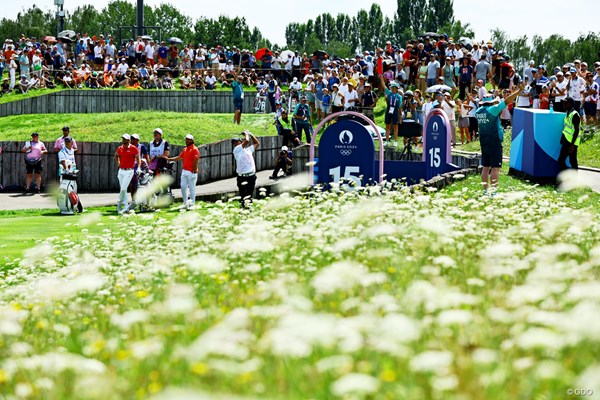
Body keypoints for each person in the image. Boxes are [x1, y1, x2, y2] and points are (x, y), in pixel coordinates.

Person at [475, 84, 524, 194]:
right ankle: (494, 192)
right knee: (495, 168)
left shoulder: (479, 111)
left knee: (485, 167)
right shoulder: (492, 110)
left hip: (484, 141)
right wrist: (518, 92)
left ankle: (485, 191)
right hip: (494, 141)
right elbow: (507, 101)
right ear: (491, 102)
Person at [166, 134, 200, 210]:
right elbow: (179, 157)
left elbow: (196, 161)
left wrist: (194, 172)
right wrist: (169, 159)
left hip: (192, 172)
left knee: (192, 188)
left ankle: (192, 204)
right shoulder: (185, 149)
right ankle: (185, 203)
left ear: (192, 140)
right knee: (183, 186)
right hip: (184, 171)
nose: (186, 140)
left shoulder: (195, 149)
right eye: (186, 139)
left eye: (188, 139)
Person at [114, 134, 141, 214]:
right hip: (121, 171)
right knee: (123, 189)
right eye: (123, 139)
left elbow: (138, 159)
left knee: (123, 188)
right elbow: (116, 155)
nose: (123, 141)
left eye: (125, 139)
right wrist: (118, 162)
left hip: (129, 171)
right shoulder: (120, 148)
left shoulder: (133, 148)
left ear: (129, 140)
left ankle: (119, 203)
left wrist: (139, 168)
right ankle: (125, 207)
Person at [232, 131, 259, 207]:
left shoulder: (248, 150)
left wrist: (251, 134)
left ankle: (249, 210)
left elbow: (257, 143)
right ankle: (243, 210)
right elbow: (247, 141)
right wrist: (247, 134)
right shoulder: (236, 150)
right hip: (242, 177)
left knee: (249, 195)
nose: (235, 143)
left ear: (240, 141)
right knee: (243, 196)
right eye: (234, 143)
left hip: (251, 176)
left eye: (237, 142)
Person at [558, 97, 581, 171]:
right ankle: (568, 178)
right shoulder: (568, 113)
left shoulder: (575, 115)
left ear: (570, 104)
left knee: (572, 161)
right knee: (561, 160)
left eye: (566, 103)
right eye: (563, 103)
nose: (564, 104)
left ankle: (573, 179)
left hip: (571, 142)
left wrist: (572, 145)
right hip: (566, 139)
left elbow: (577, 130)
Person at [129, 133, 150, 202]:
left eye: (134, 139)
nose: (132, 141)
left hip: (139, 166)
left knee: (142, 184)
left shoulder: (141, 147)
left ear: (138, 140)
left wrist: (149, 167)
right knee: (132, 185)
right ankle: (133, 200)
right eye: (131, 139)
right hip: (130, 166)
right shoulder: (128, 147)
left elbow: (146, 157)